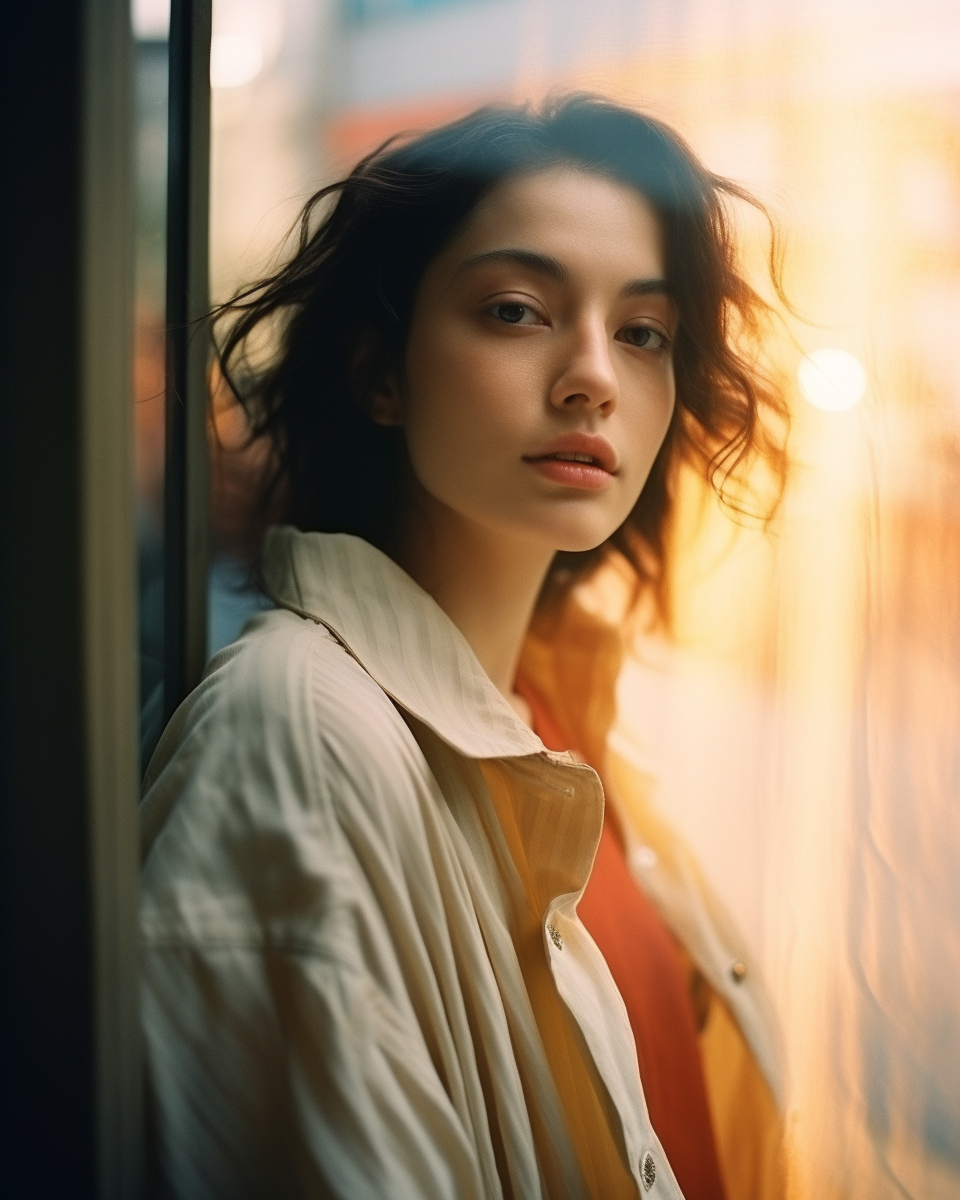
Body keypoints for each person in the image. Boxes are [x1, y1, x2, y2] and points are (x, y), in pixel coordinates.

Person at [140, 95, 789, 1200]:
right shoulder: (297, 734)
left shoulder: (552, 712)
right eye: (516, 310)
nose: (594, 375)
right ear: (378, 373)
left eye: (643, 332)